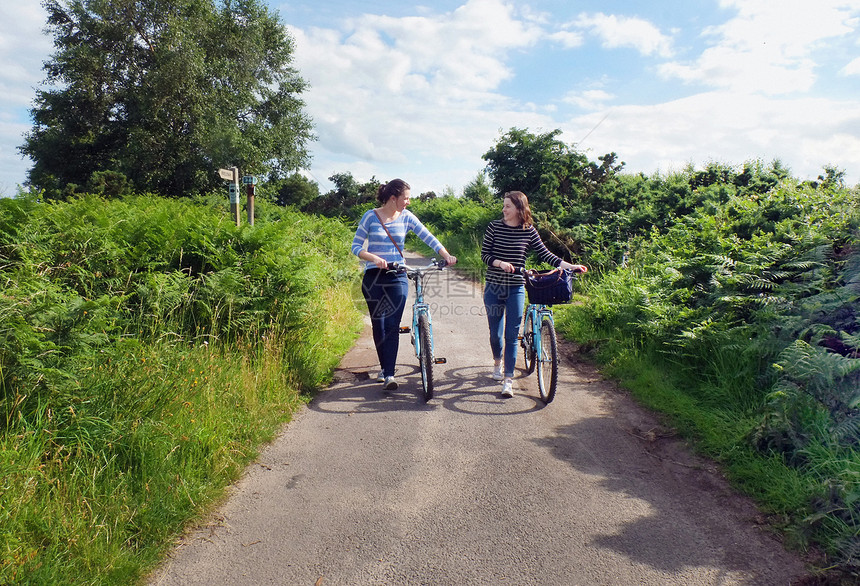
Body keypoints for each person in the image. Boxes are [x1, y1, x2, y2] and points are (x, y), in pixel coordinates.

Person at [351, 179, 457, 390]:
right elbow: (356, 247)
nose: (408, 202)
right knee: (379, 325)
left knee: (391, 325)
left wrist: (445, 254)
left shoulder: (407, 217)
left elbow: (428, 236)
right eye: (406, 198)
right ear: (393, 198)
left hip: (398, 275)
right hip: (374, 277)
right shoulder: (370, 217)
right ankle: (384, 367)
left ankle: (389, 375)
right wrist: (373, 258)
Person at [481, 191, 587, 398]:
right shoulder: (494, 227)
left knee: (511, 336)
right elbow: (485, 255)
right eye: (503, 206)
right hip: (494, 286)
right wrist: (500, 263)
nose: (503, 210)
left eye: (508, 206)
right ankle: (497, 361)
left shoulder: (528, 231)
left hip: (516, 288)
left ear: (520, 209)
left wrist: (572, 266)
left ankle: (508, 380)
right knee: (495, 333)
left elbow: (547, 255)